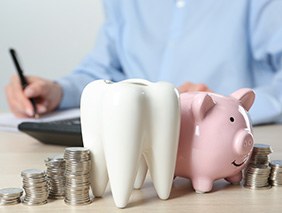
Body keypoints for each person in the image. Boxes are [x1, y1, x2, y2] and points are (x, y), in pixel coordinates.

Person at [5, 0, 282, 125]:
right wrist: (56, 91)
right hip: (137, 148)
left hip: (226, 147)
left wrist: (225, 107)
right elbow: (103, 71)